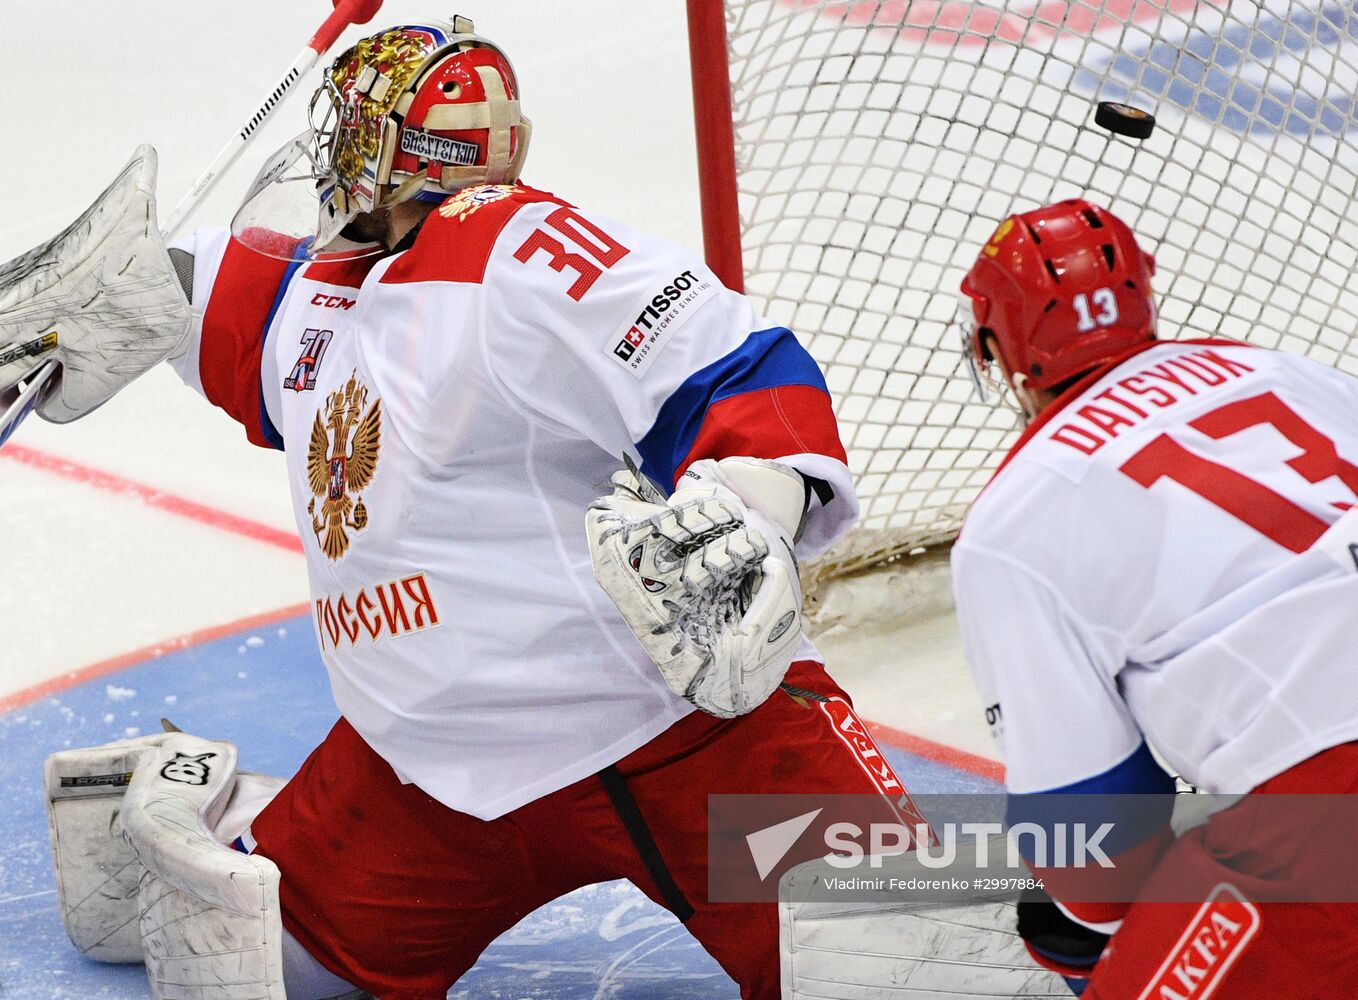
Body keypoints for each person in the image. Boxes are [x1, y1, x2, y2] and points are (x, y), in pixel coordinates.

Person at [8, 17, 918, 1000]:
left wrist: (754, 502)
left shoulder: (512, 248)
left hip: (672, 740)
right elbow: (186, 296)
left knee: (924, 972)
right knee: (246, 969)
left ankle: (1096, 852)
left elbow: (736, 361)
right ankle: (219, 797)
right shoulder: (320, 292)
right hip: (424, 780)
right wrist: (97, 296)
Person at [952, 199, 1358, 997]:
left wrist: (1083, 932)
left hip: (1326, 811)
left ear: (1001, 346)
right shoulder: (1286, 370)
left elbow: (1095, 849)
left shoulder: (1013, 521)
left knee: (1074, 927)